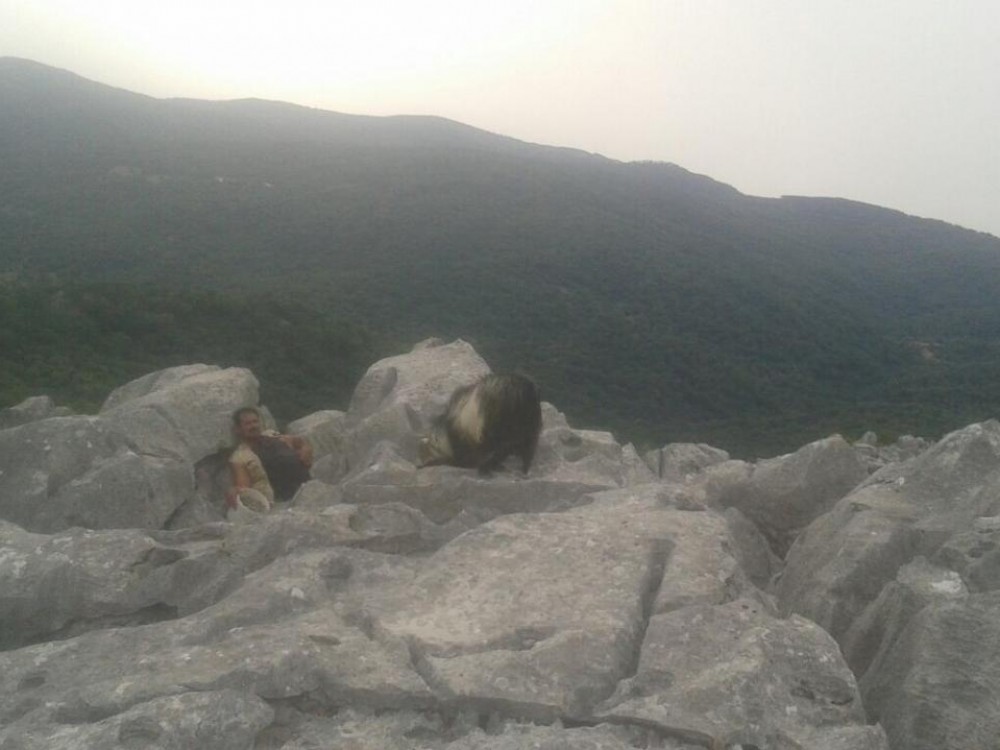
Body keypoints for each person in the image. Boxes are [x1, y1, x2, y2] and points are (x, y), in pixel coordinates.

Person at [227, 406, 313, 511]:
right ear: (238, 429)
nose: (253, 426)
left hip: (308, 490)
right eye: (248, 424)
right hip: (282, 503)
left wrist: (305, 449)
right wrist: (235, 491)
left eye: (255, 421)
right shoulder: (240, 457)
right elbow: (245, 489)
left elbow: (299, 441)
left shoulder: (272, 436)